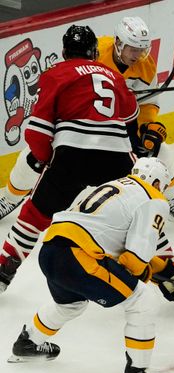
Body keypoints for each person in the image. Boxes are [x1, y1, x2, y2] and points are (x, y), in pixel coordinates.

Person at [8, 157, 174, 373]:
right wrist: (155, 276)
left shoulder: (119, 187)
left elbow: (112, 243)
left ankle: (28, 343)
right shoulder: (153, 198)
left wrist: (165, 271)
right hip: (78, 257)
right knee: (141, 299)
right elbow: (135, 259)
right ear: (157, 182)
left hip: (52, 250)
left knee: (70, 304)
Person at [0, 16, 174, 228]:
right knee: (33, 155)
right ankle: (10, 198)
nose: (138, 55)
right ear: (118, 43)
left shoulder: (145, 65)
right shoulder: (96, 54)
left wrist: (148, 126)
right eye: (132, 49)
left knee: (159, 149)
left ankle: (171, 196)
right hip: (80, 122)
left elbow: (148, 103)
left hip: (117, 124)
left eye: (142, 49)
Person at [0, 24, 139, 294]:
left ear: (64, 51)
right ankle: (166, 271)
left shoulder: (55, 73)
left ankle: (5, 266)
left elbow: (38, 131)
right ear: (95, 52)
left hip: (73, 154)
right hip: (117, 157)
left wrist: (46, 159)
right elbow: (131, 119)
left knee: (35, 213)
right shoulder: (112, 75)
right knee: (135, 211)